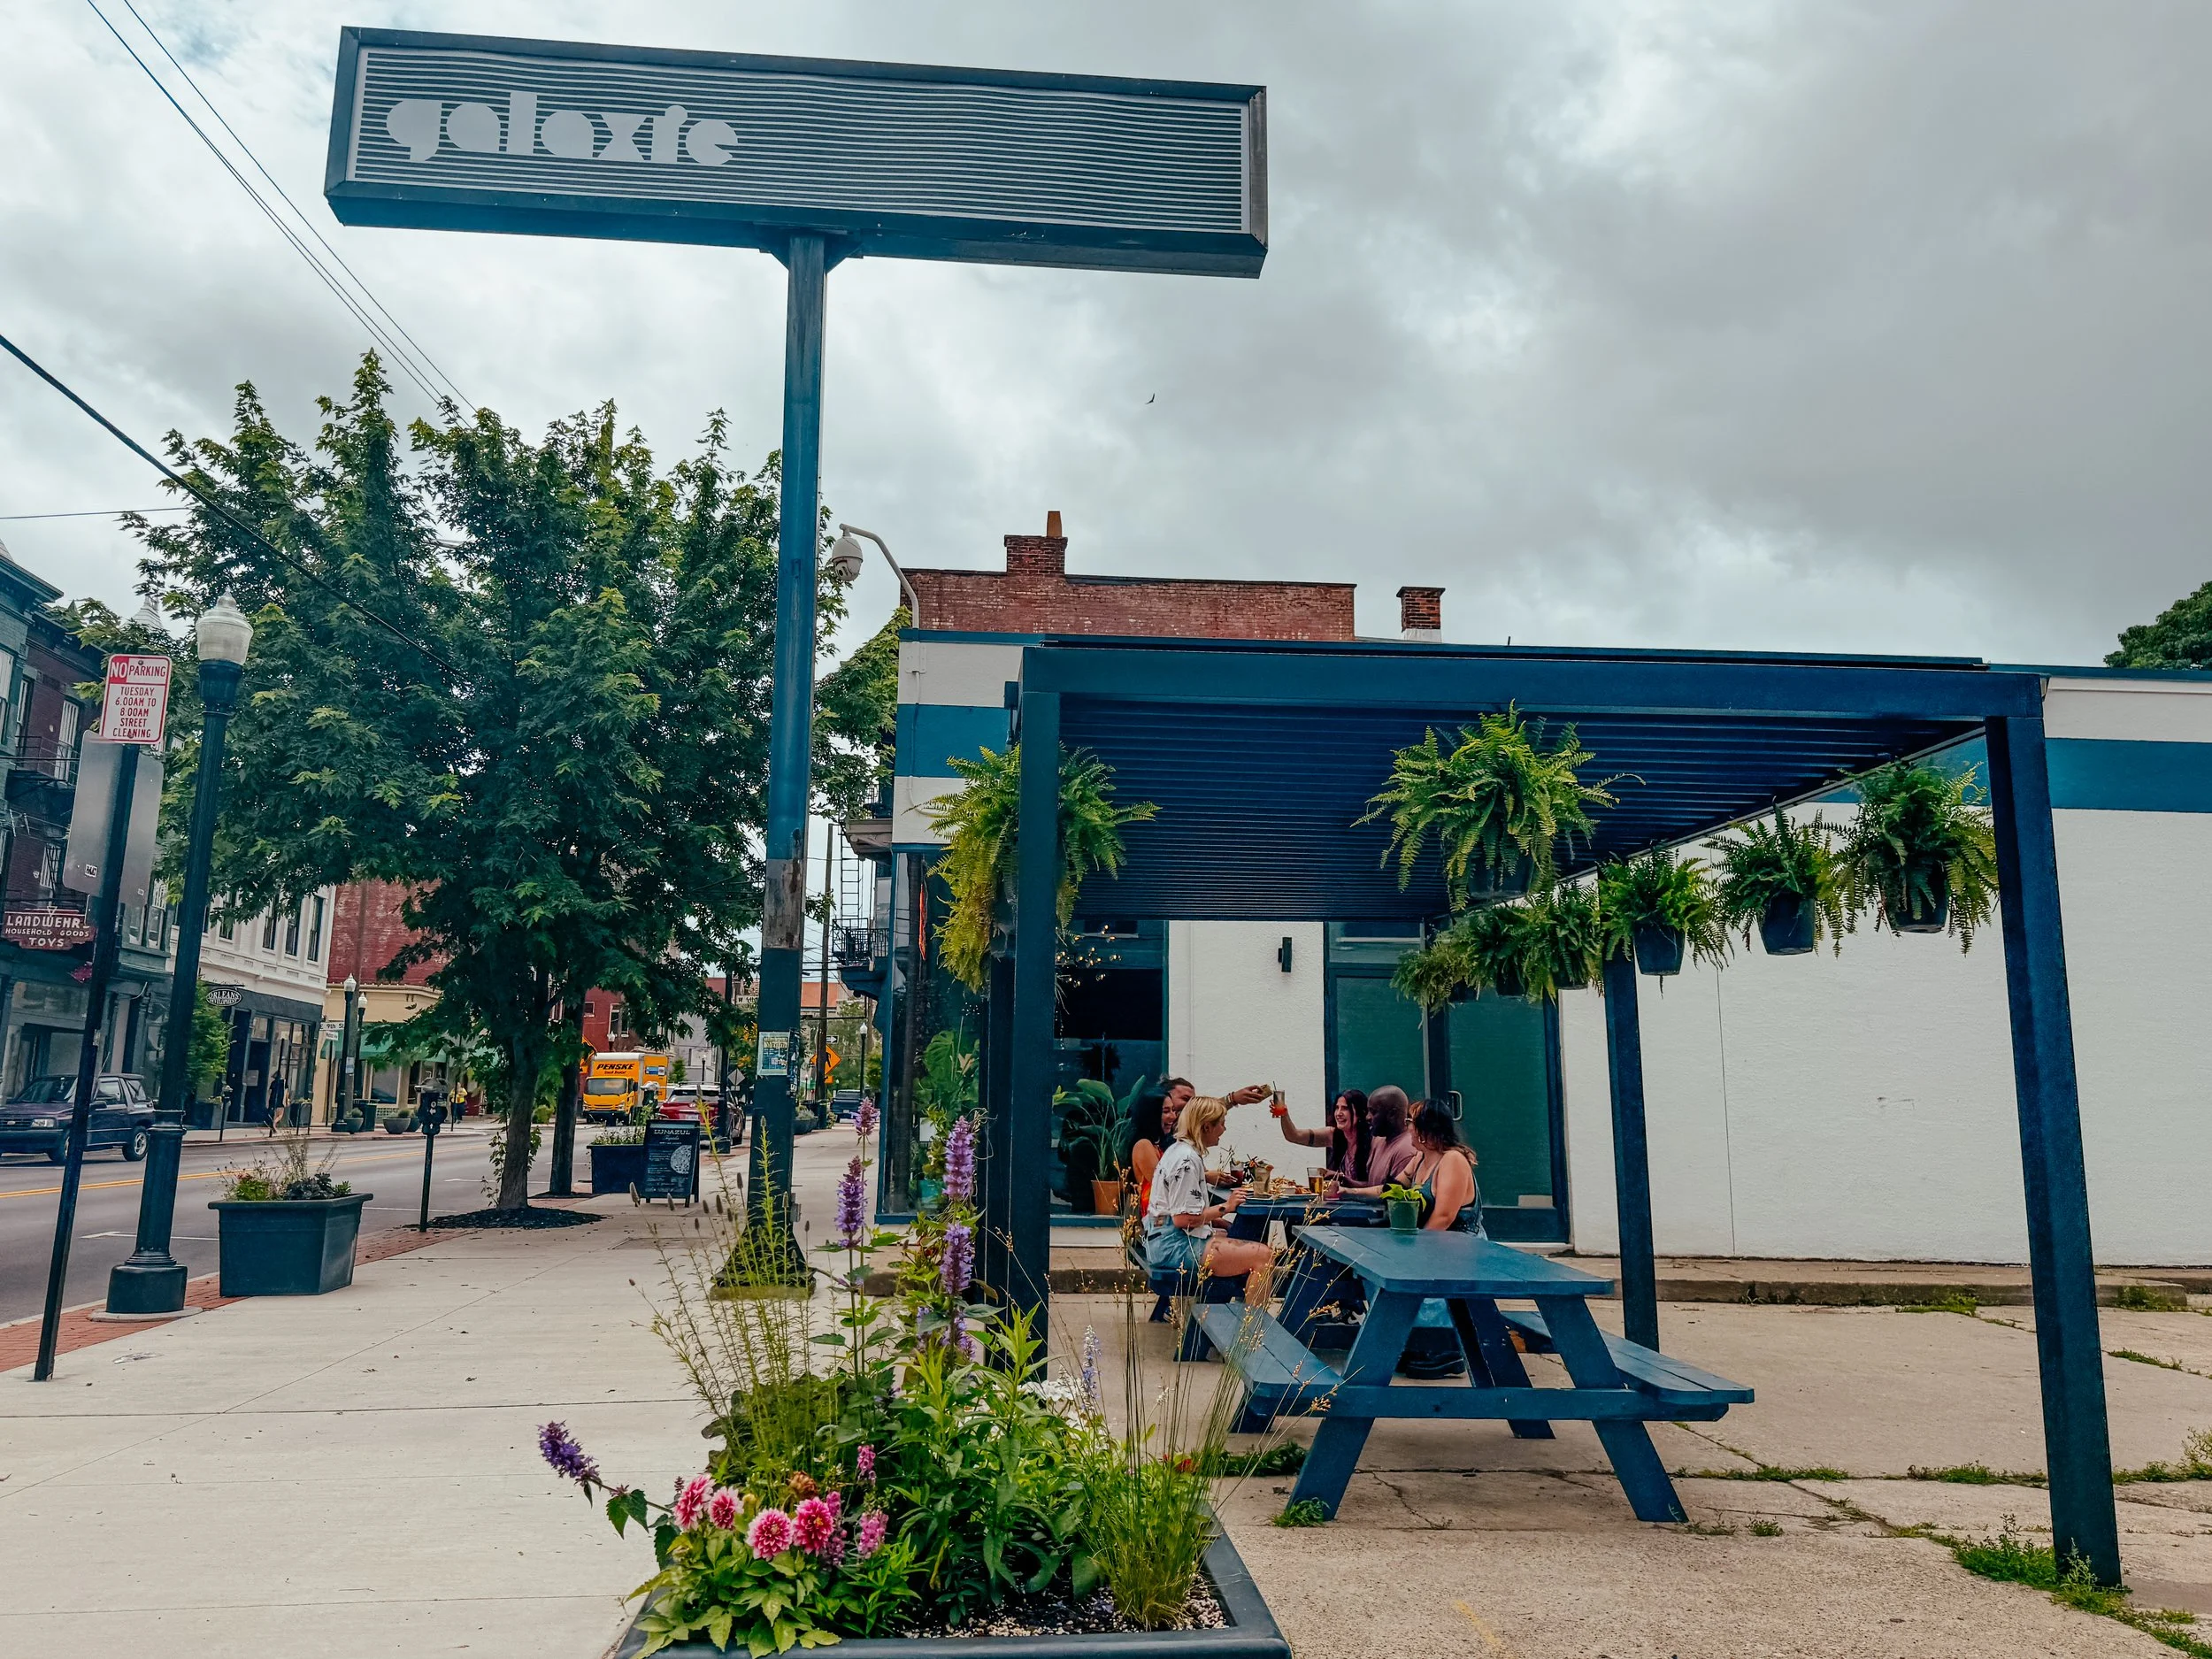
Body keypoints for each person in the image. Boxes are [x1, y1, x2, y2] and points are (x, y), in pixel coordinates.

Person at [1142, 1094, 1273, 1304]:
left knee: (1240, 1238)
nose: (1224, 1129)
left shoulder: (1179, 1150)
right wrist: (1227, 1207)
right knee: (1263, 1256)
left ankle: (1235, 1318)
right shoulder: (1186, 1160)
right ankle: (1252, 1331)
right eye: (1221, 1124)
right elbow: (1183, 1219)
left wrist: (1219, 1222)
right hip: (1173, 1247)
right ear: (1206, 1127)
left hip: (1162, 1239)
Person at [1128, 1077, 1269, 1212]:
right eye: (1166, 1111)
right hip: (1166, 1227)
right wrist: (1207, 1178)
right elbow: (1166, 1186)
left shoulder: (1167, 1143)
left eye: (1172, 1110)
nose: (1173, 1115)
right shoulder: (1146, 1145)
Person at [1404, 1097, 1485, 1233]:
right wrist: (1356, 1192)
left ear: (1424, 1129)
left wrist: (1419, 1247)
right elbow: (1391, 1188)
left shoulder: (1453, 1160)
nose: (1407, 1127)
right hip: (1434, 1243)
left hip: (1460, 1247)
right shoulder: (1420, 1157)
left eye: (1409, 1122)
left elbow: (1444, 1218)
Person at [1272, 1088, 1370, 1187]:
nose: (1339, 1113)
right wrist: (1284, 1114)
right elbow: (1294, 1136)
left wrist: (1342, 1179)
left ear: (1360, 1112)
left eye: (1345, 1108)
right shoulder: (1333, 1134)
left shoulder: (1372, 1142)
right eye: (1337, 1108)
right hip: (1339, 1200)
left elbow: (1376, 1187)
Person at [1341, 1085, 1417, 1194]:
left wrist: (1347, 1192)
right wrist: (1345, 1181)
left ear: (1392, 1114)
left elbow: (1392, 1194)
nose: (1368, 1117)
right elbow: (1374, 1186)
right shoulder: (1379, 1141)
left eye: (1373, 1112)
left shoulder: (1406, 1149)